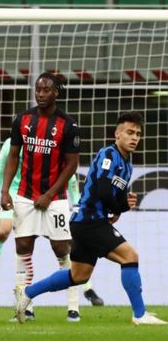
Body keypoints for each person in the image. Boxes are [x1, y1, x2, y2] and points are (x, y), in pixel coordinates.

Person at [16, 112, 166, 325]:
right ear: (117, 134)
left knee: (79, 275)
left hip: (87, 222)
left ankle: (28, 292)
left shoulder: (128, 165)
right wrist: (119, 206)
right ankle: (140, 314)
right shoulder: (108, 155)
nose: (134, 138)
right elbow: (104, 192)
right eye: (129, 132)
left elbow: (112, 198)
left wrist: (123, 205)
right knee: (130, 257)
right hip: (89, 221)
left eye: (138, 134)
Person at [0, 138, 104, 309]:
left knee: (63, 244)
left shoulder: (49, 143)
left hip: (46, 197)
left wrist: (76, 204)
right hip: (17, 194)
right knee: (4, 231)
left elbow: (69, 176)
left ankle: (85, 289)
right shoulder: (11, 144)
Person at [0, 73, 83, 322]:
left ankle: (73, 305)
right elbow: (13, 155)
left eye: (47, 89)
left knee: (61, 249)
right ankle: (25, 305)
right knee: (23, 246)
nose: (41, 93)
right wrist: (5, 190)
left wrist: (49, 193)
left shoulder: (68, 125)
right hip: (25, 195)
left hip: (55, 197)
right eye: (38, 89)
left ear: (57, 92)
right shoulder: (23, 119)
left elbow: (71, 165)